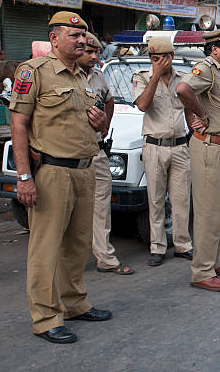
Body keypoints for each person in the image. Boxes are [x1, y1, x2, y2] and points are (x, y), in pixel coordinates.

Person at [9, 11, 111, 344]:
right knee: (46, 248)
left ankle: (75, 303)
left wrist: (102, 124)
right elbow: (19, 125)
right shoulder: (33, 72)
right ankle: (45, 317)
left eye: (83, 36)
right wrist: (24, 176)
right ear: (54, 38)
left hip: (85, 170)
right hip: (51, 172)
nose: (82, 41)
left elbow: (96, 122)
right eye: (73, 35)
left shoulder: (83, 76)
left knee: (78, 245)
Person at [176, 26, 220, 292]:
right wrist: (198, 115)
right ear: (214, 48)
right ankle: (201, 271)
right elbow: (182, 90)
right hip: (209, 147)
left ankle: (211, 262)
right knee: (208, 211)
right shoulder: (204, 69)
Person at [133, 38, 193, 267]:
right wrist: (156, 75)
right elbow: (142, 105)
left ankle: (183, 244)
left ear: (172, 57)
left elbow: (188, 109)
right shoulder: (142, 77)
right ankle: (157, 247)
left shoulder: (183, 79)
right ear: (150, 59)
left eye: (164, 58)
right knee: (156, 199)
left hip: (179, 146)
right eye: (155, 58)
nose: (160, 62)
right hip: (154, 146)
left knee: (181, 200)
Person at [77, 32, 133, 275]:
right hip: (70, 154)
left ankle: (105, 257)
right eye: (89, 51)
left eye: (97, 52)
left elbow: (108, 100)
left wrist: (105, 125)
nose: (94, 57)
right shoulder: (63, 76)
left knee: (101, 207)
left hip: (97, 152)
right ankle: (69, 260)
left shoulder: (98, 75)